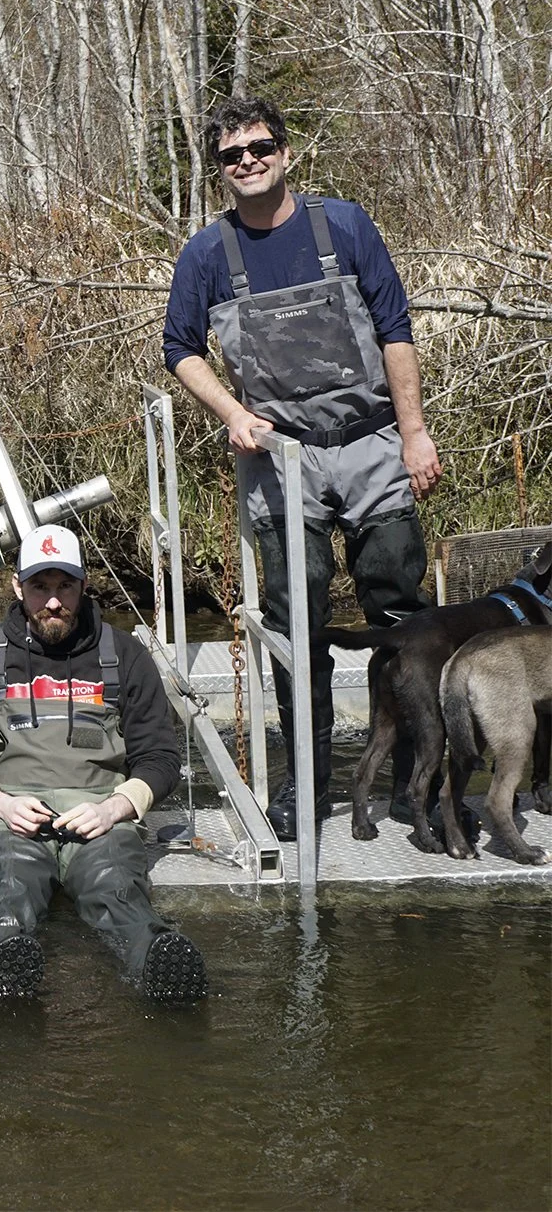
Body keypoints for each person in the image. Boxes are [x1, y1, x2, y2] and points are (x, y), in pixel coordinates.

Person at [163, 94, 442, 839]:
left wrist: (414, 434)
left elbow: (395, 329)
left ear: (285, 153)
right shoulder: (206, 256)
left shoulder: (344, 225)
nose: (248, 162)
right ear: (218, 168)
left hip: (371, 446)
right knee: (297, 620)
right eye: (231, 155)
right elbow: (180, 348)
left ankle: (422, 774)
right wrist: (232, 413)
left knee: (397, 604)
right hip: (281, 460)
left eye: (260, 148)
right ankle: (308, 784)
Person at [0, 525, 207, 1003]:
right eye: (40, 587)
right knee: (8, 884)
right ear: (18, 587)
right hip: (12, 820)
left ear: (84, 586)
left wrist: (115, 809)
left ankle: (158, 963)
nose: (54, 602)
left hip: (100, 818)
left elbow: (161, 759)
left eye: (65, 586)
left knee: (117, 887)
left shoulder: (125, 655)